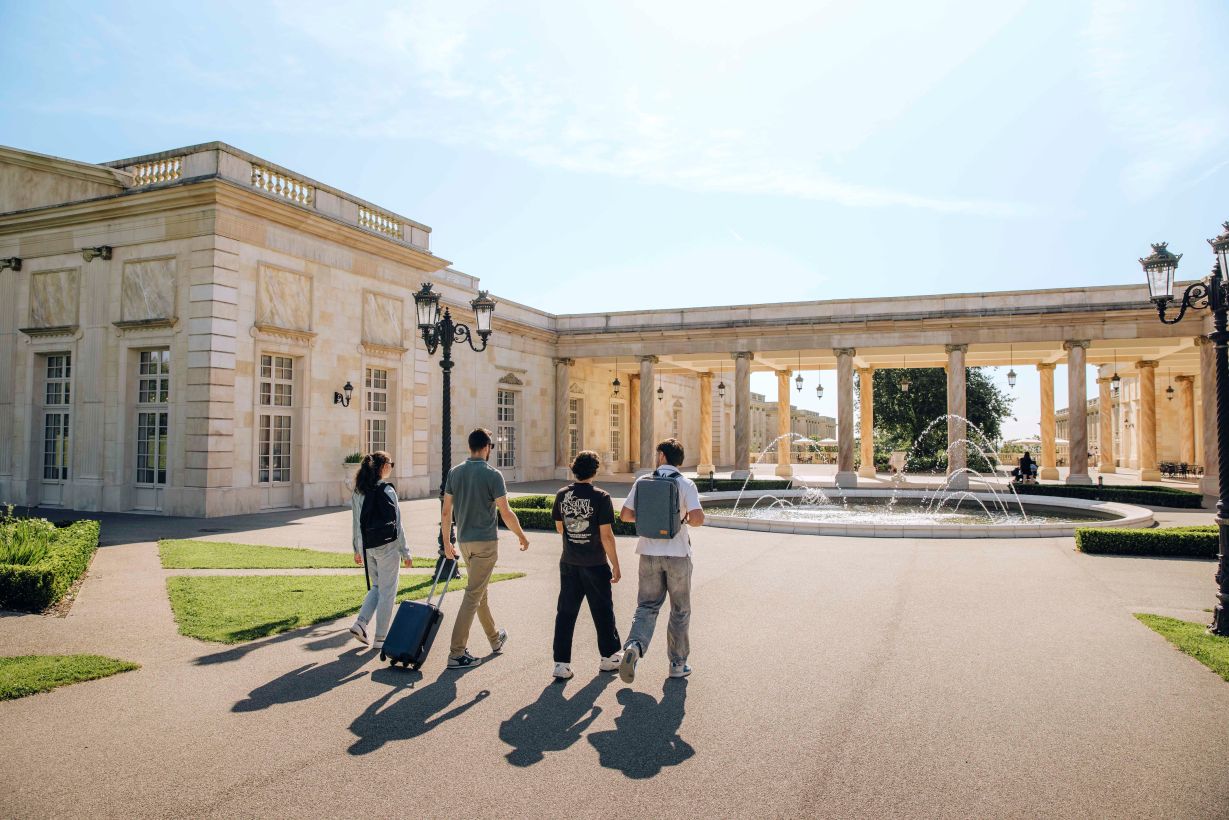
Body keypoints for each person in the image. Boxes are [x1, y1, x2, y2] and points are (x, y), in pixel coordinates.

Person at [442, 428, 531, 670]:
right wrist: (521, 536)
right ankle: (456, 652)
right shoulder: (493, 475)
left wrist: (447, 542)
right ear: (487, 447)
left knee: (479, 591)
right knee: (473, 594)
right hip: (485, 543)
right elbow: (506, 512)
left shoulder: (455, 472)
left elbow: (446, 511)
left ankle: (494, 638)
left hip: (464, 541)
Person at [617, 438, 703, 683]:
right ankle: (677, 664)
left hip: (648, 552)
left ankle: (634, 646)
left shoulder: (643, 482)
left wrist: (650, 520)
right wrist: (680, 520)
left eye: (658, 454)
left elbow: (625, 515)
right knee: (680, 609)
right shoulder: (686, 484)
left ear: (663, 456)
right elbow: (698, 518)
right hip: (678, 554)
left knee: (646, 606)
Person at [550, 449, 623, 680]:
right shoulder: (601, 497)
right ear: (595, 471)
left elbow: (560, 527)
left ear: (574, 469)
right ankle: (609, 657)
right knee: (602, 611)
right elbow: (606, 536)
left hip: (569, 562)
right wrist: (616, 565)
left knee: (566, 613)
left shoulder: (562, 494)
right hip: (595, 563)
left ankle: (561, 664)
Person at [349, 451, 412, 651]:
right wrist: (406, 552)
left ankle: (361, 622)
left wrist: (357, 548)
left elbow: (356, 523)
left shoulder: (358, 491)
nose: (391, 467)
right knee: (387, 592)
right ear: (382, 467)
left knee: (376, 587)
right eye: (390, 464)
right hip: (388, 546)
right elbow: (398, 525)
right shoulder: (387, 490)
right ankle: (381, 638)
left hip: (368, 546)